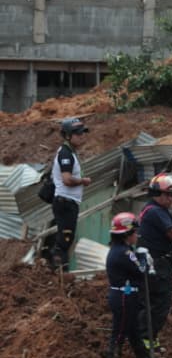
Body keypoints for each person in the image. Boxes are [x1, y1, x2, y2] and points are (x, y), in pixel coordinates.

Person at [137, 173, 172, 347]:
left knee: (156, 303)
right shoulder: (154, 211)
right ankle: (147, 341)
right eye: (168, 195)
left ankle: (149, 338)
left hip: (159, 262)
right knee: (158, 304)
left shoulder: (158, 210)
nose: (170, 199)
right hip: (157, 263)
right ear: (157, 193)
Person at [104, 212, 158, 358]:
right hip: (123, 296)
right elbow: (141, 271)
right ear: (127, 234)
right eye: (135, 232)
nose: (137, 235)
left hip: (128, 294)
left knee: (134, 329)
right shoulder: (124, 253)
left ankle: (144, 357)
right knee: (120, 331)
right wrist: (143, 258)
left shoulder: (121, 249)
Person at [49, 117, 92, 272]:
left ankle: (60, 272)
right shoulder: (66, 153)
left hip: (68, 201)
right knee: (64, 240)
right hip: (65, 201)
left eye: (82, 133)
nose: (82, 136)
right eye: (77, 133)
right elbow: (67, 179)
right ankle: (59, 274)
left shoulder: (70, 153)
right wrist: (83, 181)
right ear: (67, 135)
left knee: (66, 239)